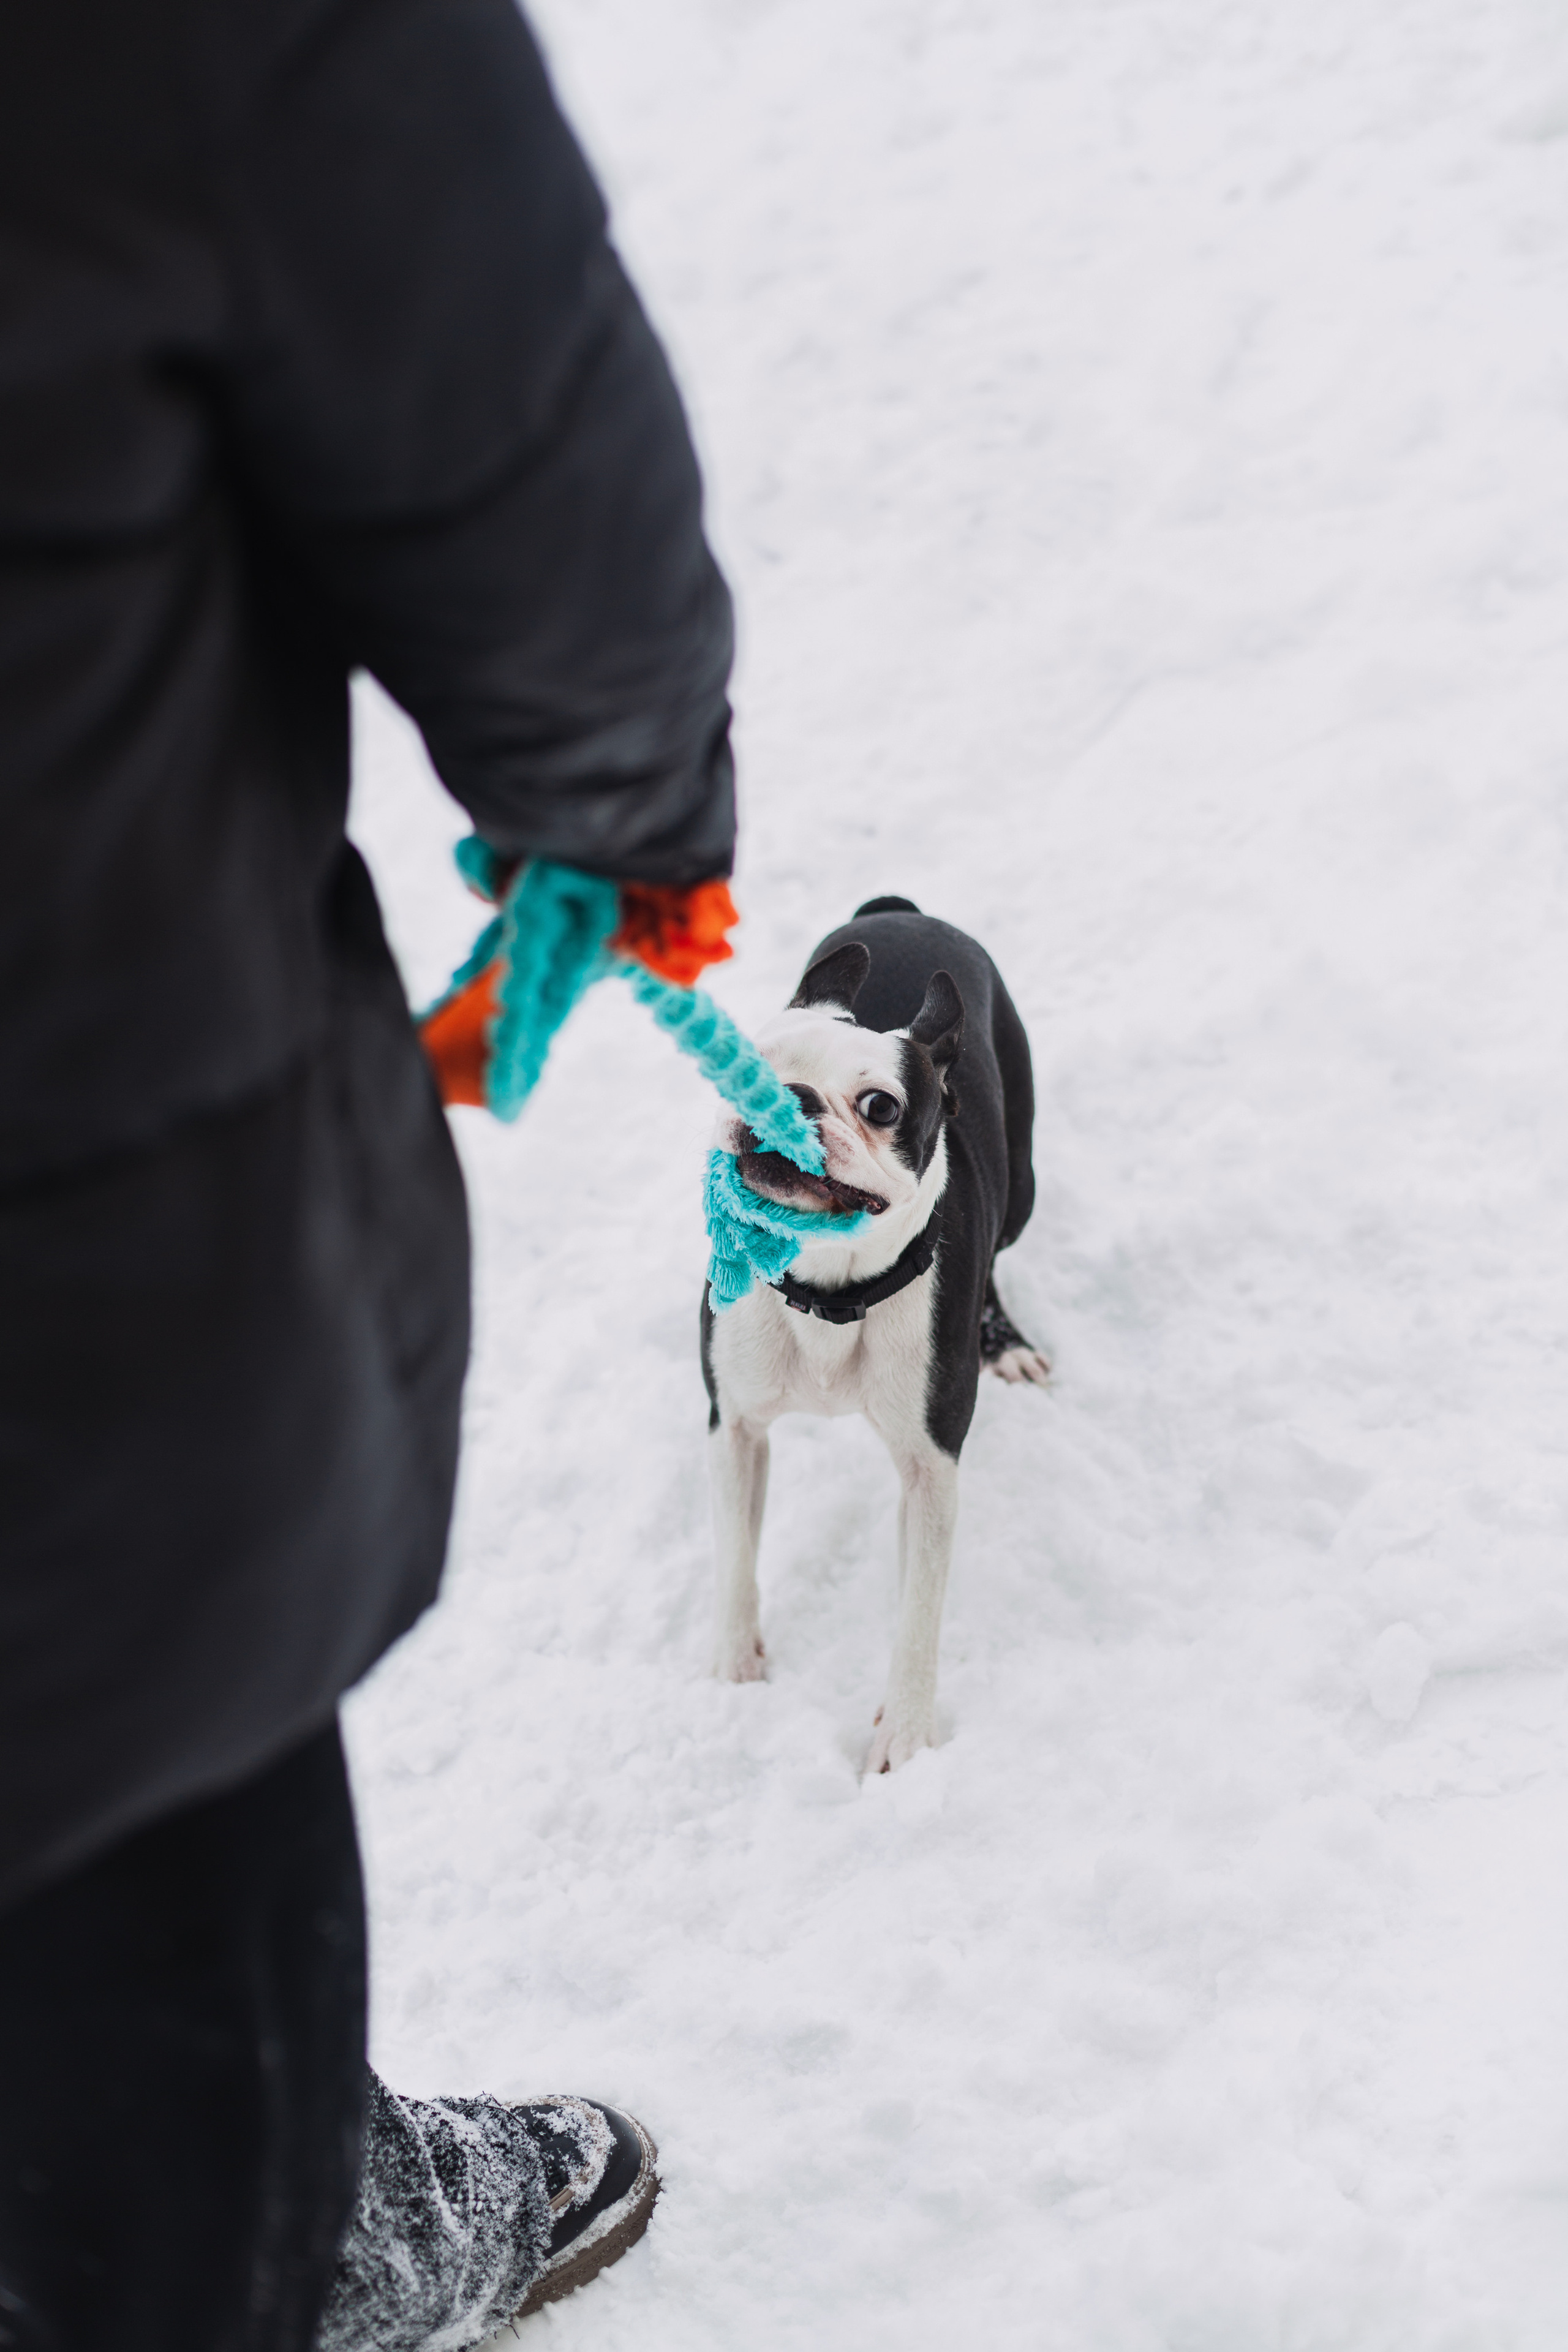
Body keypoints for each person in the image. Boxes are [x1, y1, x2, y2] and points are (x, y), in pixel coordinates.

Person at [0, 1, 736, 2345]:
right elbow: (504, 441)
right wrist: (624, 826)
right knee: (154, 2047)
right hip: (76, 1355)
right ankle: (282, 2227)